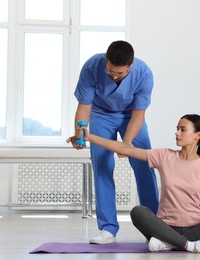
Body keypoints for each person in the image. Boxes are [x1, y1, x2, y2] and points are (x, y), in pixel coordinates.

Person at [79, 114, 200, 253]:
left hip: (196, 227)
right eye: (177, 129)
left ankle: (171, 243)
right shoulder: (164, 156)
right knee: (138, 212)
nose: (177, 133)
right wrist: (90, 137)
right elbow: (127, 150)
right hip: (164, 227)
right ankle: (192, 246)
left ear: (198, 135)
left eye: (183, 129)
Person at [66, 40, 159, 244]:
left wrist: (126, 143)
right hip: (100, 114)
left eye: (120, 74)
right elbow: (84, 106)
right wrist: (79, 134)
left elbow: (138, 113)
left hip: (131, 117)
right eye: (111, 72)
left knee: (144, 164)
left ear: (131, 65)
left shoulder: (144, 73)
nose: (114, 76)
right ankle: (108, 229)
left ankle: (154, 228)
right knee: (102, 167)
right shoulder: (92, 66)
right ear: (106, 62)